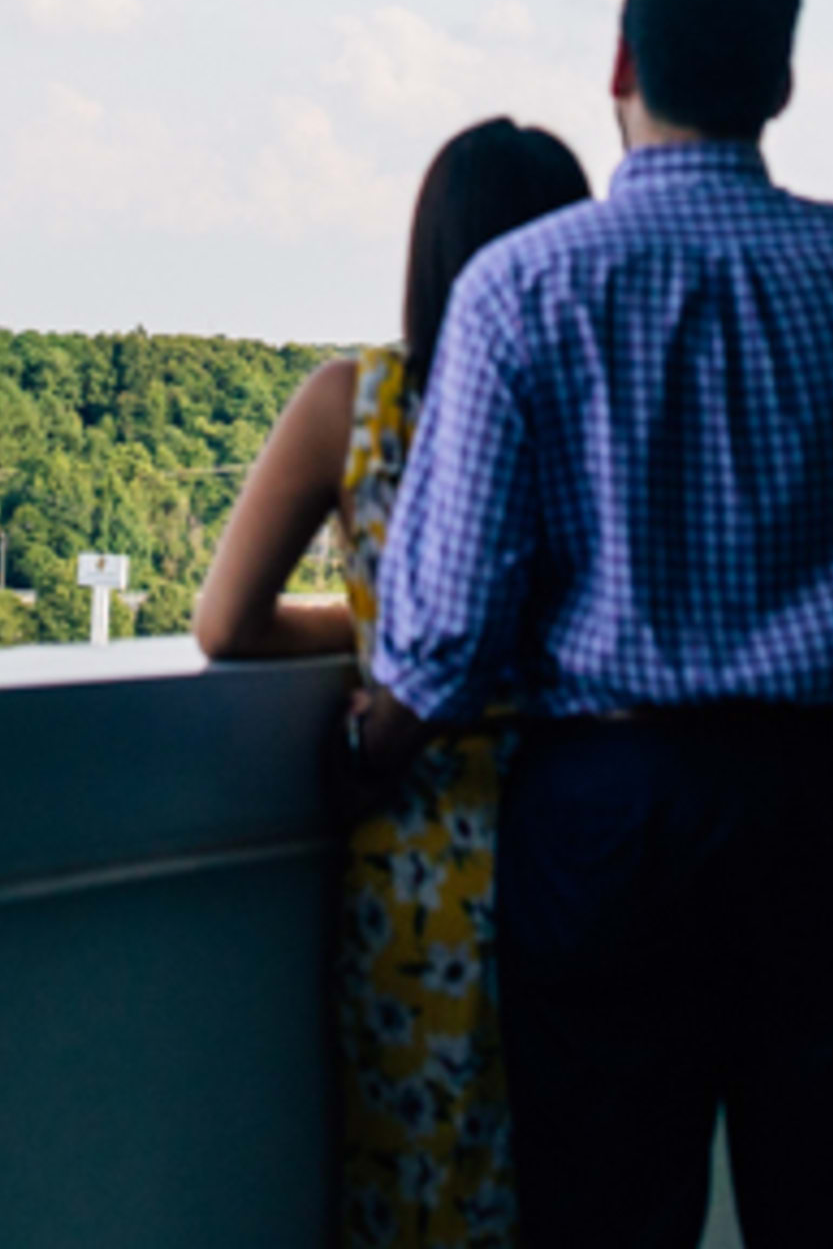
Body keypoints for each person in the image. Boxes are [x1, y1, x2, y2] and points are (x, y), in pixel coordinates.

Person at [361, 0, 833, 1249]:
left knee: (608, 1219)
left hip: (613, 818)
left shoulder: (523, 284)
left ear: (624, 66)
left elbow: (446, 633)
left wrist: (373, 738)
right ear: (782, 83)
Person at [197, 116, 596, 1249]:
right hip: (591, 841)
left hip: (420, 848)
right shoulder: (600, 416)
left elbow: (226, 625)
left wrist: (371, 630)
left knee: (418, 1195)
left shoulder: (356, 406)